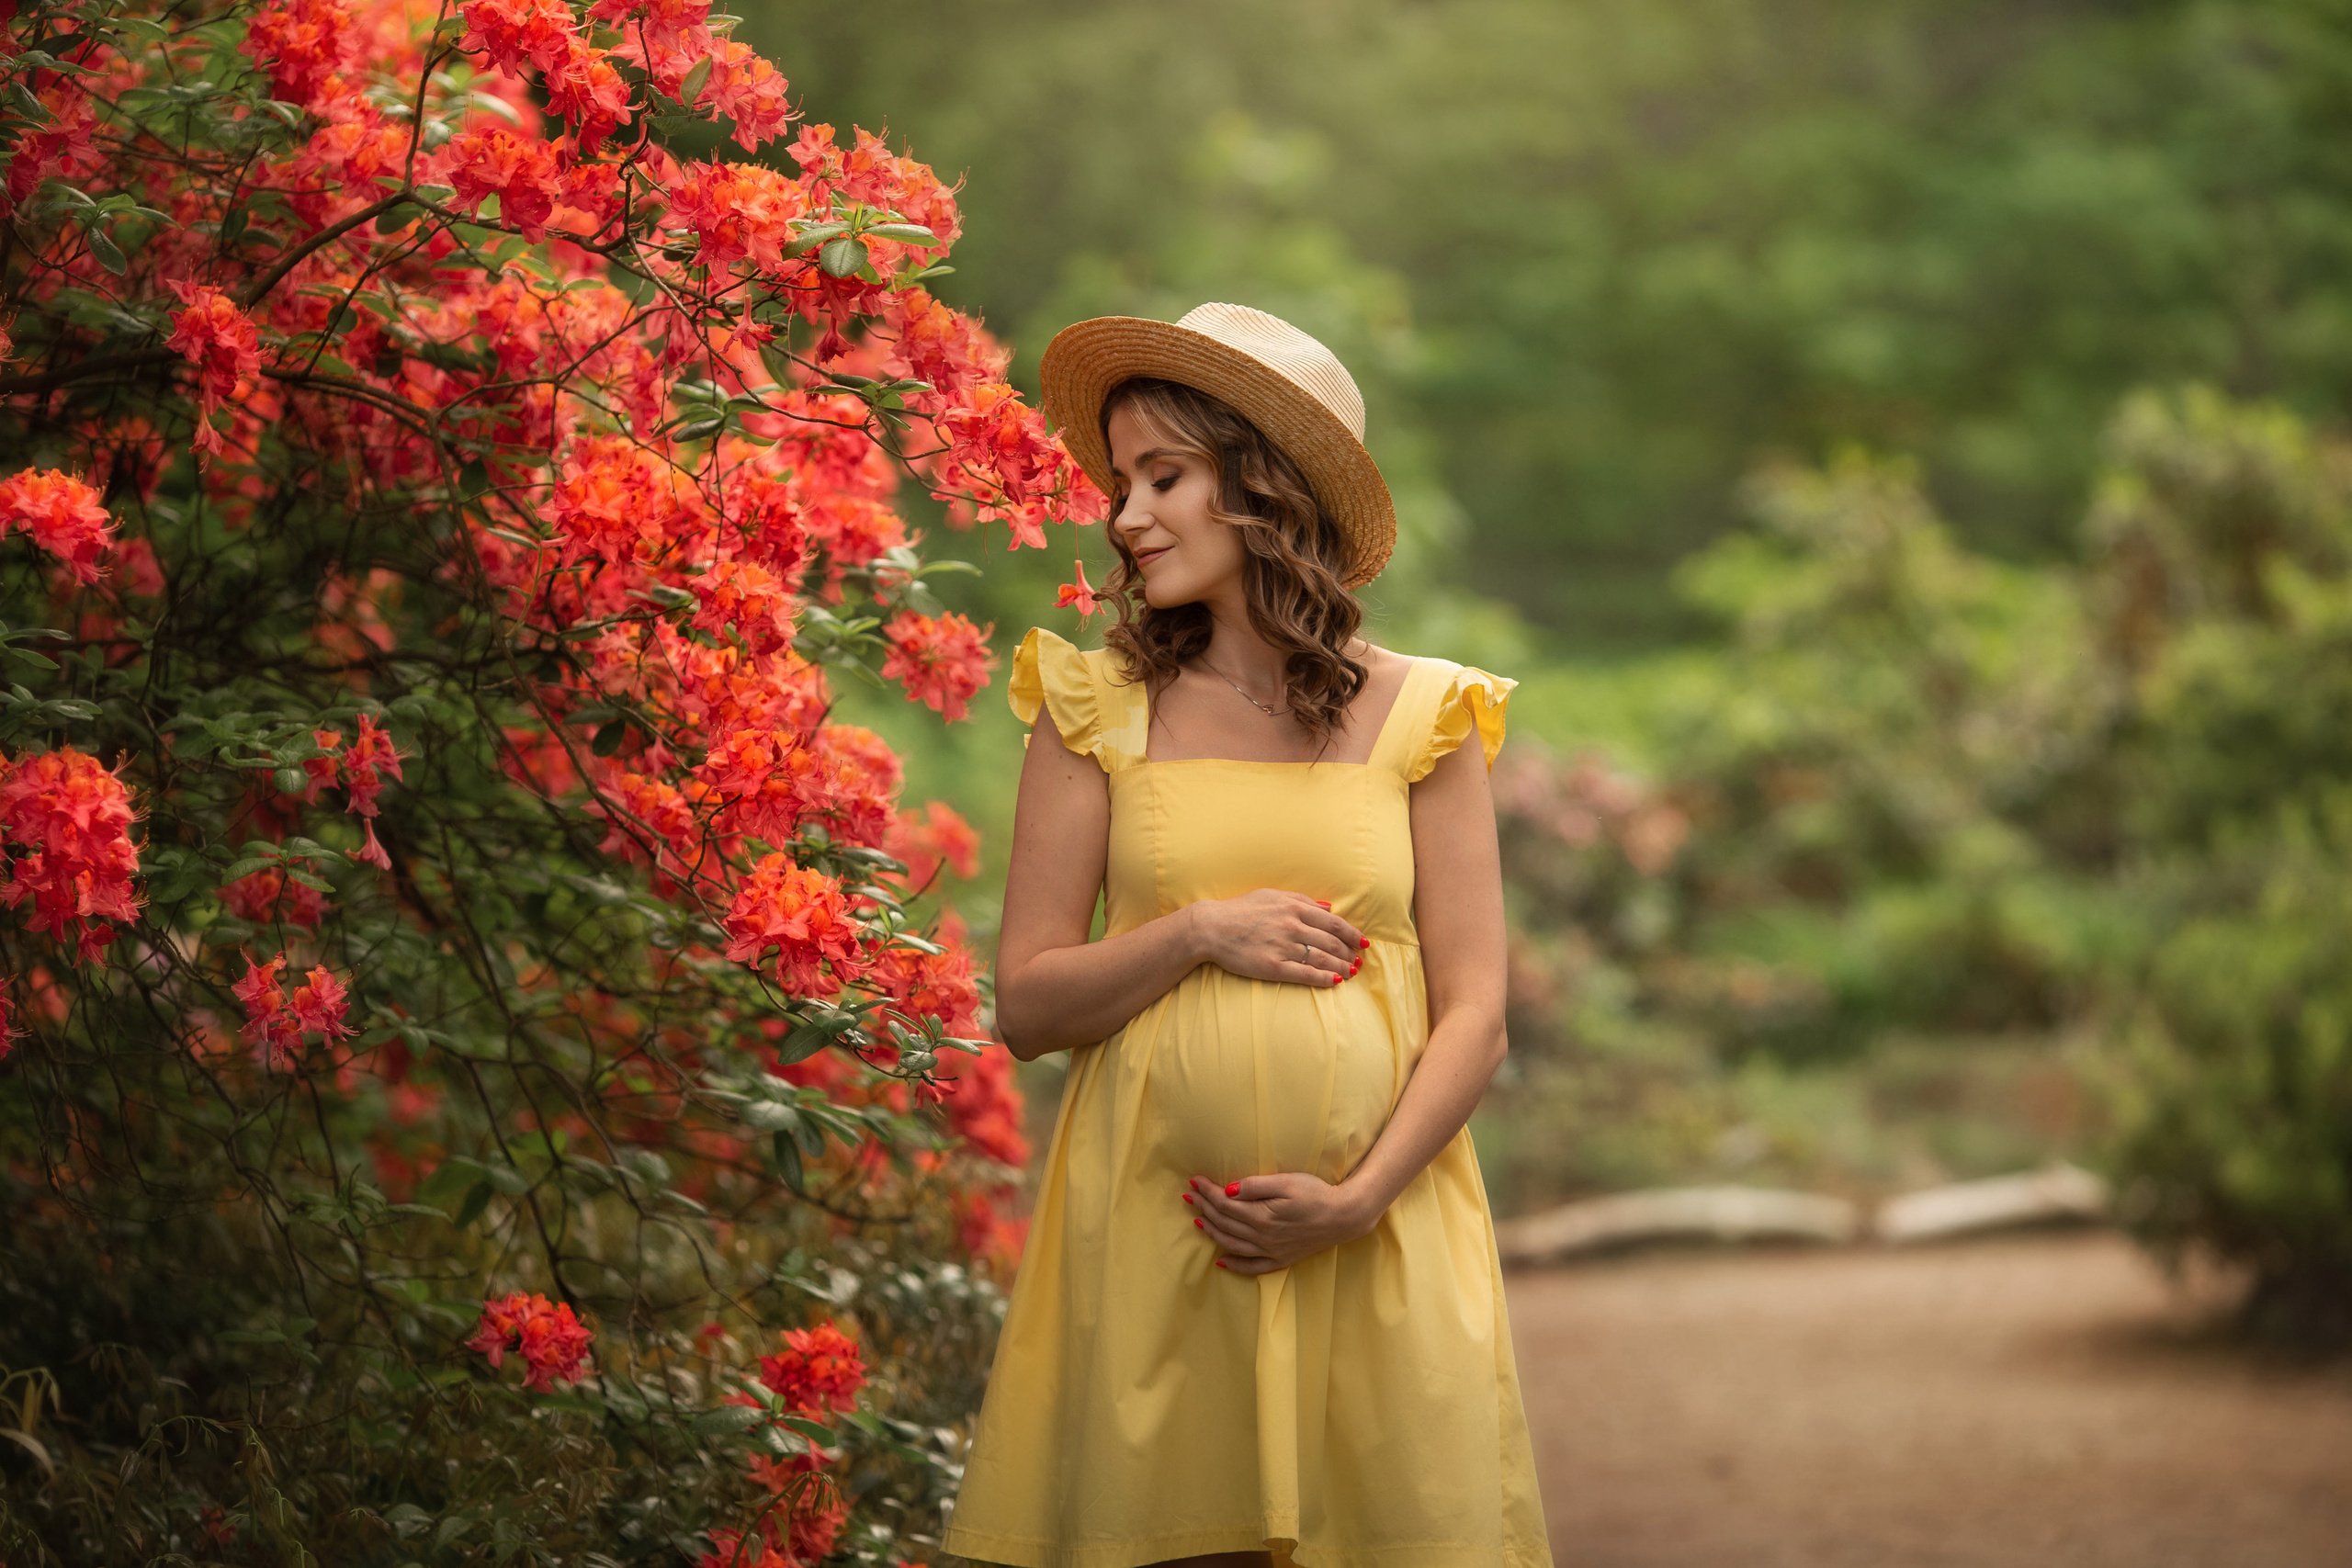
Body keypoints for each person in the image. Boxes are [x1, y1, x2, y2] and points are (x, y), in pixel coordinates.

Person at [942, 303, 1552, 1568]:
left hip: (1378, 1237)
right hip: (1159, 1243)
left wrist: (1356, 1200)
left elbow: (1478, 1012)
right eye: (1122, 484)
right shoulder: (1094, 706)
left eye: (1163, 478)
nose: (1127, 517)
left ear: (1262, 485)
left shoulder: (1427, 714)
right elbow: (1030, 1005)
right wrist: (1194, 933)